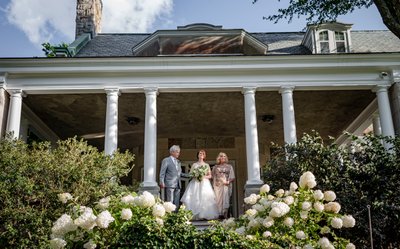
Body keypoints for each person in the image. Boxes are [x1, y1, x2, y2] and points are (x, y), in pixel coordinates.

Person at [181, 150, 219, 220]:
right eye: (200, 153)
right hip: (195, 183)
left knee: (204, 198)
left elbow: (210, 176)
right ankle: (193, 215)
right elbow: (191, 174)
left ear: (204, 156)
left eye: (203, 154)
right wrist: (196, 175)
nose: (201, 154)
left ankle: (203, 215)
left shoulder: (206, 165)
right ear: (198, 155)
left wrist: (203, 177)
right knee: (195, 198)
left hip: (204, 183)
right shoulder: (194, 165)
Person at [159, 145, 185, 210]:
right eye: (177, 152)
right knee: (170, 202)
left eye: (179, 152)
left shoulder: (178, 162)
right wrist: (162, 182)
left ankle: (175, 217)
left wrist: (191, 175)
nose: (178, 153)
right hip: (169, 184)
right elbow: (162, 173)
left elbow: (180, 174)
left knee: (176, 203)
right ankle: (170, 216)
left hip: (178, 184)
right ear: (172, 152)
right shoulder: (166, 160)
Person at [212, 152, 235, 219]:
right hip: (218, 185)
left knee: (226, 199)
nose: (223, 157)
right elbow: (212, 177)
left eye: (224, 156)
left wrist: (228, 181)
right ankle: (219, 214)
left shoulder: (229, 167)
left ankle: (225, 214)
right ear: (219, 158)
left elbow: (232, 177)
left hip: (226, 185)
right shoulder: (215, 167)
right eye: (221, 156)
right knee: (218, 200)